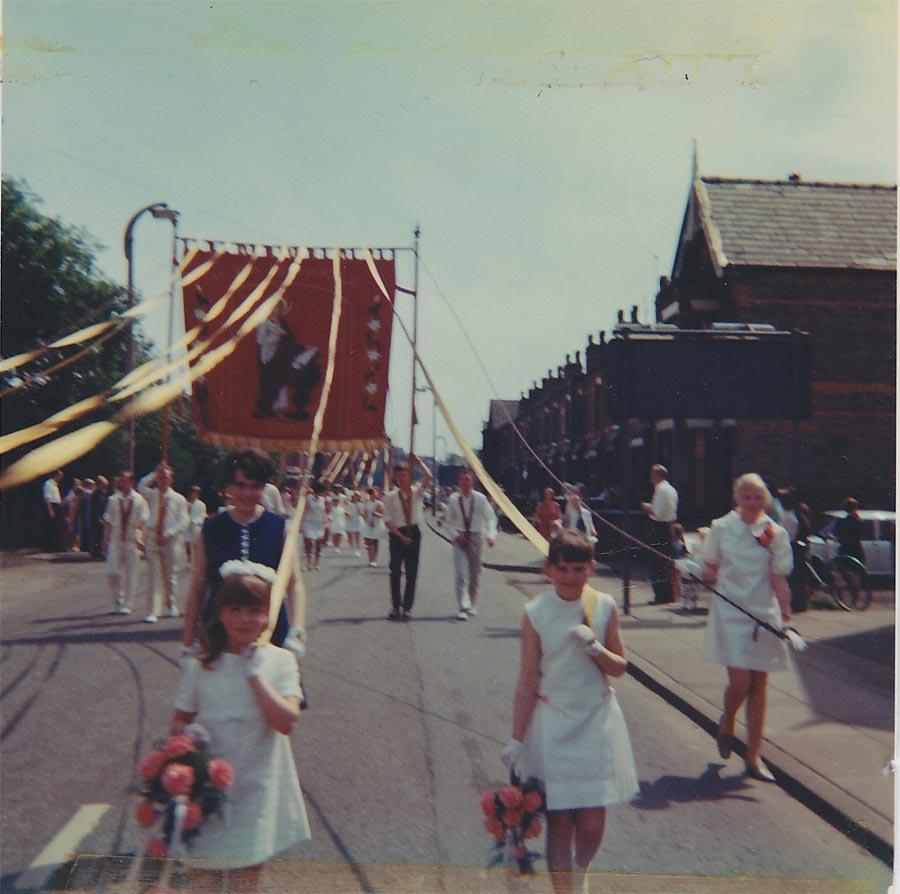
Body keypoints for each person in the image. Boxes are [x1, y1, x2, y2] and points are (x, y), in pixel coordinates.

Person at [502, 531, 638, 894]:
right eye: (563, 569)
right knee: (560, 819)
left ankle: (582, 872)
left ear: (591, 568)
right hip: (555, 723)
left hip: (595, 719)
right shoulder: (535, 613)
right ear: (549, 569)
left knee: (593, 819)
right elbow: (528, 679)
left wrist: (595, 649)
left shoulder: (604, 606)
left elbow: (620, 667)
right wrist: (517, 738)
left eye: (579, 569)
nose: (571, 577)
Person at [171, 563, 310, 888]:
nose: (245, 619)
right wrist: (185, 749)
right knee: (201, 881)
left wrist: (256, 677)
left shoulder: (281, 662)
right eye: (235, 609)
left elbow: (286, 722)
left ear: (268, 615)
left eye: (254, 610)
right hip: (206, 792)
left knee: (244, 882)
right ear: (220, 613)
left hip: (255, 790)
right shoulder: (200, 666)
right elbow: (178, 725)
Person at [701, 473, 793, 783]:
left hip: (763, 614)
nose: (753, 503)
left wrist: (787, 618)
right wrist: (690, 569)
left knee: (760, 686)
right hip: (730, 613)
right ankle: (727, 719)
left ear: (765, 499)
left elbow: (779, 579)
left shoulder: (775, 532)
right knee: (740, 683)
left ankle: (753, 755)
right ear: (737, 498)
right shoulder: (721, 528)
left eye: (758, 497)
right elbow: (710, 569)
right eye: (747, 496)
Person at [182, 448, 306, 659]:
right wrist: (188, 639)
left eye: (255, 487)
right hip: (220, 635)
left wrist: (297, 632)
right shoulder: (209, 529)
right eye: (239, 485)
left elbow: (294, 584)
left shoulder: (281, 528)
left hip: (271, 633)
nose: (247, 494)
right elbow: (197, 587)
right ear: (227, 486)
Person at [382, 453, 433, 621]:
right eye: (399, 475)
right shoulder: (389, 496)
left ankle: (407, 608)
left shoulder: (416, 492)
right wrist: (400, 536)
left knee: (412, 572)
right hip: (397, 534)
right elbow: (388, 520)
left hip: (414, 532)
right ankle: (395, 607)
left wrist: (418, 462)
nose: (402, 478)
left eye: (405, 475)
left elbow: (429, 476)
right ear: (395, 478)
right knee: (395, 572)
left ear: (409, 476)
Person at [442, 469, 497, 620]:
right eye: (463, 480)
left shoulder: (480, 499)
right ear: (459, 482)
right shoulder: (453, 500)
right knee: (461, 573)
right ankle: (462, 607)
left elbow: (491, 518)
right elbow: (447, 522)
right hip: (460, 537)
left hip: (476, 536)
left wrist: (491, 535)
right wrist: (457, 536)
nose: (466, 483)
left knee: (475, 573)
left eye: (468, 480)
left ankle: (472, 603)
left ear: (473, 482)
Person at [144, 463, 190, 623]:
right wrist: (154, 472)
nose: (163, 480)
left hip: (170, 540)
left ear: (171, 479)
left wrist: (169, 533)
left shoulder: (179, 499)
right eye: (160, 477)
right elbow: (141, 485)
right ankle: (153, 611)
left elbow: (184, 521)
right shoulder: (151, 494)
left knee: (169, 576)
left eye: (166, 477)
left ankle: (171, 604)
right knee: (154, 575)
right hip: (152, 537)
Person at [104, 471, 149, 615]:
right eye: (120, 481)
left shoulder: (139, 500)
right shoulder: (113, 500)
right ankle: (117, 599)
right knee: (112, 572)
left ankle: (127, 604)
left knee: (131, 573)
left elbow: (144, 522)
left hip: (132, 540)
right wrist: (105, 538)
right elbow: (108, 520)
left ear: (131, 483)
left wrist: (141, 538)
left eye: (125, 481)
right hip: (116, 539)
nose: (122, 484)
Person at [641, 464, 678, 604]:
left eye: (652, 475)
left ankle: (661, 596)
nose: (651, 478)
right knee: (665, 562)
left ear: (657, 475)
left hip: (659, 528)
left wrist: (647, 507)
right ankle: (668, 595)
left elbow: (657, 512)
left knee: (656, 563)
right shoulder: (671, 489)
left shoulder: (661, 490)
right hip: (668, 526)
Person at [833, 497, 869, 609]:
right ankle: (855, 599)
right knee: (856, 574)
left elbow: (837, 535)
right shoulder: (860, 522)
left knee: (841, 573)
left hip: (845, 549)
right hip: (857, 549)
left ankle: (842, 598)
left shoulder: (842, 522)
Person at [300, 481, 327, 571]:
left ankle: (316, 563)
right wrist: (301, 525)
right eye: (323, 491)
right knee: (310, 543)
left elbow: (324, 512)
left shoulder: (323, 500)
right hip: (309, 524)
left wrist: (326, 523)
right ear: (319, 490)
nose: (325, 493)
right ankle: (309, 563)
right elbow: (304, 511)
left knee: (318, 546)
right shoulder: (308, 498)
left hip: (319, 525)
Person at [361, 487, 385, 567]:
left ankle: (374, 560)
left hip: (377, 524)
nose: (376, 494)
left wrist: (377, 514)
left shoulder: (379, 503)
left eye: (376, 493)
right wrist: (368, 522)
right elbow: (364, 514)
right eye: (374, 493)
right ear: (371, 494)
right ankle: (370, 559)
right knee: (369, 542)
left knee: (375, 542)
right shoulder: (367, 503)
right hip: (369, 525)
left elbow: (383, 515)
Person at [42, 469, 64, 551]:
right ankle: (49, 546)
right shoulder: (48, 484)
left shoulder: (55, 485)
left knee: (57, 527)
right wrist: (51, 511)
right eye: (60, 476)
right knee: (51, 527)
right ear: (56, 475)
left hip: (57, 506)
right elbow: (47, 498)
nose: (61, 478)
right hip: (52, 506)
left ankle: (55, 546)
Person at [186, 485, 207, 565]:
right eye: (193, 492)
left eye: (196, 493)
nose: (194, 494)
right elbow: (185, 514)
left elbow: (203, 515)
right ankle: (189, 559)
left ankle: (196, 561)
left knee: (195, 545)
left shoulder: (201, 504)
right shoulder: (187, 503)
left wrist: (195, 521)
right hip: (187, 526)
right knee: (187, 544)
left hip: (196, 526)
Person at [89, 475, 110, 558]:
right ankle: (96, 551)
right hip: (96, 517)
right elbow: (95, 507)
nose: (106, 485)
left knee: (101, 535)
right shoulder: (95, 494)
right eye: (104, 483)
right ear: (100, 484)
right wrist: (99, 518)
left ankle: (100, 550)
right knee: (97, 534)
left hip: (103, 516)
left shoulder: (104, 494)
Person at [345, 491, 364, 557]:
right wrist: (347, 513)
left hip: (357, 521)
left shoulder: (360, 504)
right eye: (356, 495)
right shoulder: (348, 503)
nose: (357, 497)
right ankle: (352, 548)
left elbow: (362, 514)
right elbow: (345, 510)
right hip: (349, 521)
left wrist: (359, 510)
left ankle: (357, 550)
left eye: (358, 496)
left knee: (357, 536)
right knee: (350, 535)